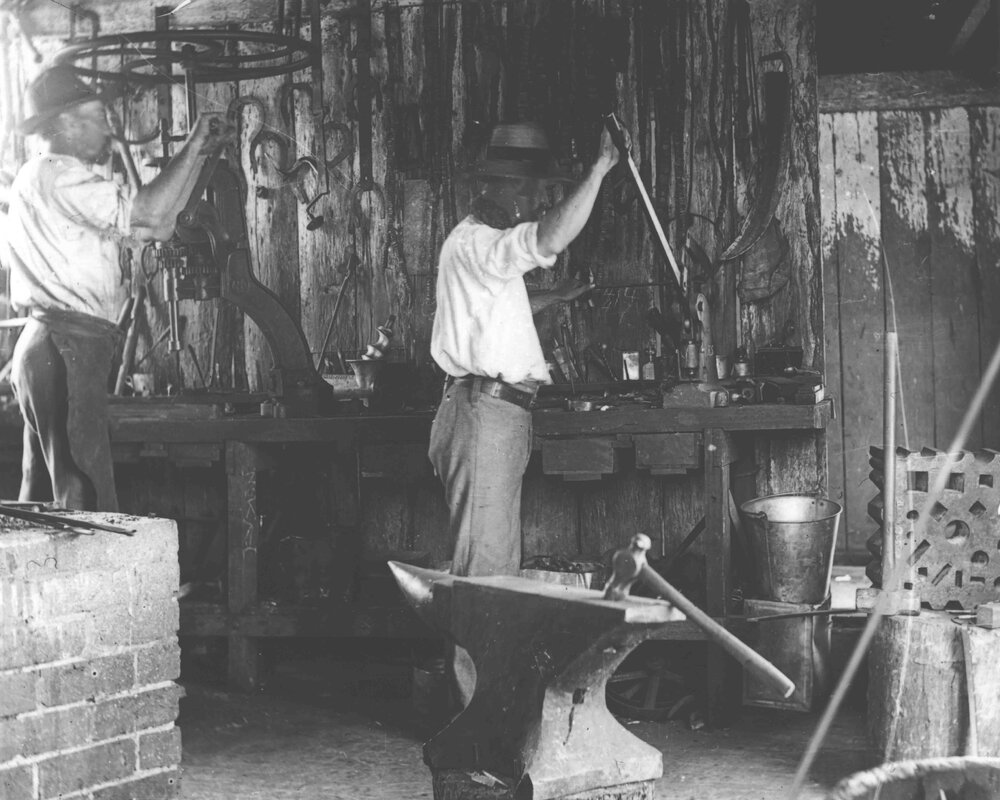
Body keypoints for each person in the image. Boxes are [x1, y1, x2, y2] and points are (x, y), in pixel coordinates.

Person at [428, 119, 622, 707]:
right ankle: (479, 723)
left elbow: (498, 300)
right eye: (540, 191)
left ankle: (488, 705)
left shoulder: (477, 248)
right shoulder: (480, 242)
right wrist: (600, 170)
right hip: (485, 413)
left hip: (494, 413)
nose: (543, 201)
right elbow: (545, 242)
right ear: (511, 188)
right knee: (485, 575)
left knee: (493, 565)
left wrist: (556, 298)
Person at [5, 66, 233, 511]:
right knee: (84, 500)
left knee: (39, 502)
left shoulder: (47, 177)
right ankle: (91, 582)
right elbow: (146, 215)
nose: (109, 129)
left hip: (47, 347)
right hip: (67, 346)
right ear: (67, 121)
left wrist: (200, 153)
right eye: (97, 116)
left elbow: (161, 226)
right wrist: (192, 146)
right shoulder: (58, 172)